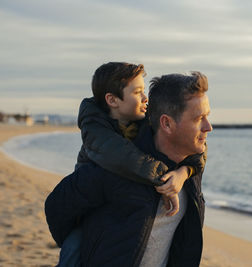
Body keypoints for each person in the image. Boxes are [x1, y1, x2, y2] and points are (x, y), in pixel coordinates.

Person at [45, 71, 212, 266]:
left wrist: (184, 173)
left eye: (207, 116)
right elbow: (57, 208)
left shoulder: (190, 168)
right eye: (198, 118)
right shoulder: (116, 166)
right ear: (166, 123)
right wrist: (84, 248)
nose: (208, 127)